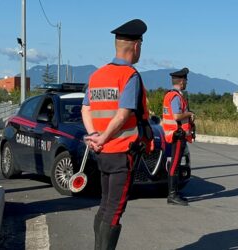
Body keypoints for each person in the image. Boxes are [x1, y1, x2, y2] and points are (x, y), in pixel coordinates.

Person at [81, 18, 151, 250]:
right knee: (114, 210)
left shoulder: (97, 75)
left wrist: (94, 136)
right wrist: (103, 137)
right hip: (121, 151)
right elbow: (122, 115)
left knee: (104, 206)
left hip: (102, 153)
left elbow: (86, 108)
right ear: (136, 46)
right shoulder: (130, 75)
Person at [162, 67, 195, 206]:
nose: (186, 82)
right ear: (181, 82)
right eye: (185, 80)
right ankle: (172, 195)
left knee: (175, 164)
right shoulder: (175, 97)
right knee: (175, 165)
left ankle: (174, 192)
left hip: (176, 135)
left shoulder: (172, 95)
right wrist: (189, 114)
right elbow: (176, 116)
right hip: (177, 135)